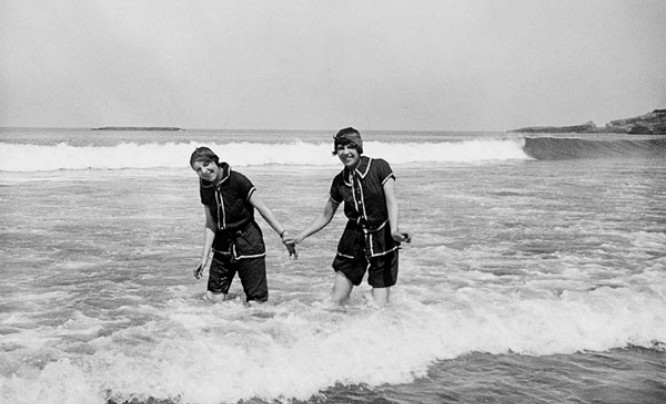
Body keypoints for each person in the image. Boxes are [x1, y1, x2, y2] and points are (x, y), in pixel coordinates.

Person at [284, 127, 409, 307]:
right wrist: (300, 236)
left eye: (350, 146)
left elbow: (391, 201)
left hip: (382, 238)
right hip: (354, 238)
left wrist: (394, 230)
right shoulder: (339, 181)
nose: (345, 152)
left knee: (378, 307)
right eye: (340, 148)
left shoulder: (379, 167)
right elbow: (326, 215)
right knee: (336, 301)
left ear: (358, 147)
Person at [190, 146, 295, 303]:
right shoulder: (205, 186)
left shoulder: (237, 180)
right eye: (198, 169)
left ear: (215, 161)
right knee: (213, 299)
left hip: (248, 243)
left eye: (206, 164)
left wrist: (283, 234)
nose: (203, 171)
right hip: (222, 246)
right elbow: (210, 223)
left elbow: (262, 208)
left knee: (256, 303)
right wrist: (204, 258)